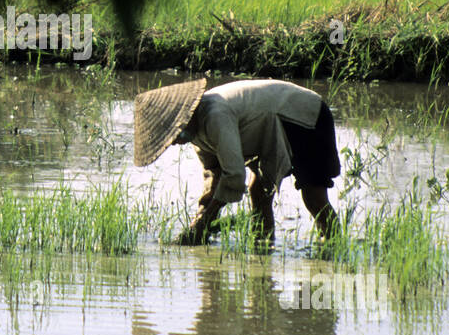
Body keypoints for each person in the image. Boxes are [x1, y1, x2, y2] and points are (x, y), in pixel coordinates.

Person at [133, 78, 342, 245]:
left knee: (314, 197)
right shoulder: (195, 134)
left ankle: (334, 246)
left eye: (174, 135)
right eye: (170, 139)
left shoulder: (215, 115)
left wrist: (206, 221)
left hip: (304, 116)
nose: (175, 142)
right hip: (268, 126)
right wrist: (201, 215)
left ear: (184, 119)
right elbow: (214, 173)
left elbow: (233, 175)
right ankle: (263, 248)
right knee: (258, 191)